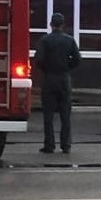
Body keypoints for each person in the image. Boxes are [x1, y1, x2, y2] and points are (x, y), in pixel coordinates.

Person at [33, 12, 82, 154]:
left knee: (48, 115)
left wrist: (46, 69)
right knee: (65, 114)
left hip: (49, 79)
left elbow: (39, 59)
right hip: (64, 79)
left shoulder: (45, 40)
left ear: (51, 24)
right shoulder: (69, 40)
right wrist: (67, 67)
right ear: (63, 24)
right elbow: (77, 59)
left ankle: (49, 145)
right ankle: (66, 145)